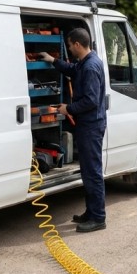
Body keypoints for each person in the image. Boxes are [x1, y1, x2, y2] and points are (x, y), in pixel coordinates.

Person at [38, 28, 108, 233]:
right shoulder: (85, 63)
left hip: (91, 126)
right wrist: (53, 60)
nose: (69, 48)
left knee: (93, 172)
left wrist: (68, 108)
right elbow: (72, 69)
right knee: (87, 171)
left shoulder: (91, 67)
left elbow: (91, 101)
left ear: (77, 44)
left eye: (69, 45)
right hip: (88, 125)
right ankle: (91, 212)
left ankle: (98, 218)